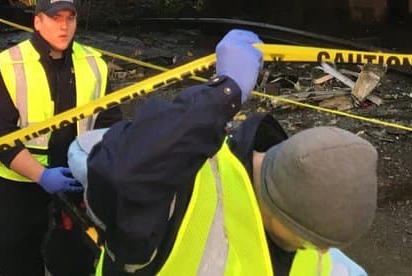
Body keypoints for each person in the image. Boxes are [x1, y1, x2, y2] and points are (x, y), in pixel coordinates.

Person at [83, 29, 377, 275]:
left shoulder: (317, 259)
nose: (323, 251)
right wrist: (222, 94)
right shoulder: (185, 189)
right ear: (282, 211)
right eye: (312, 240)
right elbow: (122, 173)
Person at [0, 0, 118, 276]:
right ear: (38, 22)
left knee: (77, 262)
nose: (63, 26)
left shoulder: (95, 64)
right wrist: (41, 175)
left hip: (75, 182)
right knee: (15, 258)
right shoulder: (7, 65)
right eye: (55, 18)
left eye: (70, 18)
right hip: (17, 186)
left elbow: (109, 126)